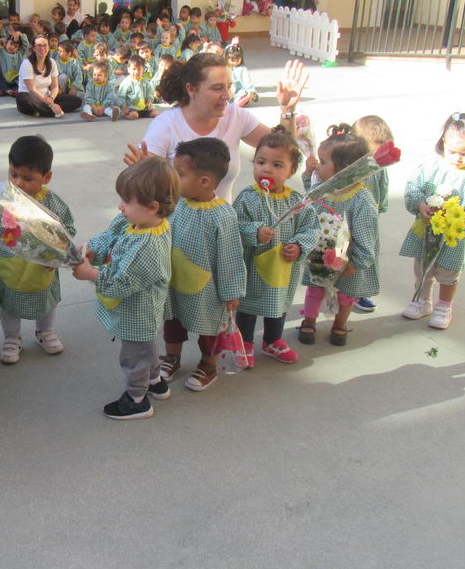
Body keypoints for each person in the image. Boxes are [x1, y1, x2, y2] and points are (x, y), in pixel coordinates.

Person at [72, 157, 178, 420]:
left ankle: (136, 399)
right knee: (146, 350)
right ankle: (156, 382)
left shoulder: (147, 246)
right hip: (142, 310)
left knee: (134, 358)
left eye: (127, 201)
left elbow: (120, 282)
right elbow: (112, 235)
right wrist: (92, 250)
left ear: (152, 206)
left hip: (138, 312)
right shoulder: (140, 222)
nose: (121, 206)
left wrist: (90, 273)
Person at [124, 55, 307, 201]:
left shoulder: (236, 116)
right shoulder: (165, 125)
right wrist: (143, 172)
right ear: (191, 89)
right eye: (217, 88)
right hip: (177, 231)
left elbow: (284, 151)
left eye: (229, 86)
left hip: (222, 226)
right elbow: (145, 190)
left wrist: (287, 109)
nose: (226, 95)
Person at [0, 136, 76, 365]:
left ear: (47, 177)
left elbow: (68, 228)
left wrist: (57, 253)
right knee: (8, 304)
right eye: (13, 175)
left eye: (28, 178)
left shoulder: (53, 203)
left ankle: (45, 332)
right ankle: (11, 338)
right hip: (6, 266)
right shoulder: (2, 200)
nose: (19, 183)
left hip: (40, 267)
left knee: (45, 302)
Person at [159, 139, 246, 391]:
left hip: (208, 290)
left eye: (180, 174)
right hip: (175, 280)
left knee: (209, 328)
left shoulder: (223, 215)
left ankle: (209, 364)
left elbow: (230, 257)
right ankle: (171, 357)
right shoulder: (177, 203)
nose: (174, 178)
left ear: (204, 181)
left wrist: (231, 293)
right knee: (172, 322)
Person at [399, 113, 465, 329]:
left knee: (448, 272)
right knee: (423, 267)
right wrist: (419, 205)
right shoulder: (431, 168)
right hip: (426, 231)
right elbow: (413, 188)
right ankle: (422, 300)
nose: (457, 158)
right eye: (452, 151)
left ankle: (444, 305)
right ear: (443, 142)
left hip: (455, 238)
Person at [233, 128, 319, 365]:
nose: (267, 169)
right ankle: (245, 342)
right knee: (248, 306)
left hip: (282, 268)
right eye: (261, 162)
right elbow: (235, 226)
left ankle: (272, 340)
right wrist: (255, 232)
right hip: (252, 264)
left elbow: (311, 228)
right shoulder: (248, 197)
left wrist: (299, 246)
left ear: (292, 171)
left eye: (277, 165)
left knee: (278, 304)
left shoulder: (296, 202)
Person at [299, 126, 380, 347]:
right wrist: (308, 174)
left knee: (346, 295)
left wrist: (356, 262)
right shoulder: (326, 187)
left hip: (348, 260)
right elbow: (310, 195)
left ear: (344, 169)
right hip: (321, 253)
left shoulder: (362, 200)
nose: (318, 165)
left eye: (324, 162)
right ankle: (309, 320)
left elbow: (366, 235)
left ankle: (340, 324)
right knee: (315, 286)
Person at [350, 115, 395, 314]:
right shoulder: (347, 165)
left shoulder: (379, 169)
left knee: (364, 256)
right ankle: (328, 289)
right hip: (343, 219)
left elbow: (382, 190)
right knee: (336, 257)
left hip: (366, 221)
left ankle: (360, 291)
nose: (375, 158)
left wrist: (379, 209)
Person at [16, 35, 81, 118]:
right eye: (39, 46)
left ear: (48, 47)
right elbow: (32, 90)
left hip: (47, 96)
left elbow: (55, 86)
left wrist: (51, 98)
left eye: (45, 45)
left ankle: (41, 111)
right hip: (30, 97)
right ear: (34, 48)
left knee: (76, 101)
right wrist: (51, 104)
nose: (42, 48)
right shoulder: (27, 63)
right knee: (26, 99)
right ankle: (51, 111)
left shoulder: (52, 62)